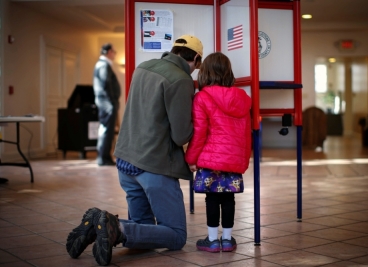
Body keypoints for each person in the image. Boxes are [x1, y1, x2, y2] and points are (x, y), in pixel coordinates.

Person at [66, 35, 203, 266]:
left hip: (125, 162)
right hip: (153, 166)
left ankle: (98, 224)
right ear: (196, 58)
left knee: (143, 232)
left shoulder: (143, 67)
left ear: (174, 50)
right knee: (176, 235)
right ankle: (114, 227)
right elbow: (180, 135)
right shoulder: (180, 80)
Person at [184, 52, 252, 252]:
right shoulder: (242, 98)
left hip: (209, 160)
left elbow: (199, 133)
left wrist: (191, 159)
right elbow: (246, 135)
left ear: (204, 73)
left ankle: (213, 240)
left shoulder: (202, 98)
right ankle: (228, 239)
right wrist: (244, 161)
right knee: (229, 198)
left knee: (211, 199)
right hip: (232, 161)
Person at [93, 43, 121, 166]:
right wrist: (112, 102)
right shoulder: (104, 65)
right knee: (106, 131)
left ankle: (104, 157)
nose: (114, 54)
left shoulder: (101, 64)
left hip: (105, 103)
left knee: (105, 130)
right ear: (109, 52)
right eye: (113, 52)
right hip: (107, 104)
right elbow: (105, 83)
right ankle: (104, 158)